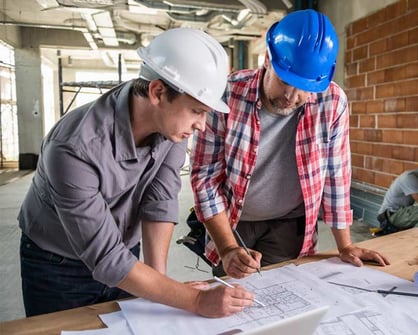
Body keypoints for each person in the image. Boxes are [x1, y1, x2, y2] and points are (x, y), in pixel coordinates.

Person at [18, 28, 256, 318]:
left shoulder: (171, 129)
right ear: (157, 92)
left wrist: (163, 287)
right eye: (196, 111)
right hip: (58, 264)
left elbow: (160, 201)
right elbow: (107, 259)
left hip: (125, 252)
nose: (202, 126)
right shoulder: (73, 148)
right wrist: (194, 300)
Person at [190, 9, 390, 279]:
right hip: (235, 221)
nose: (291, 96)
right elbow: (205, 177)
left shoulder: (332, 102)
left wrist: (345, 244)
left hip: (290, 223)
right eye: (284, 81)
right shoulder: (227, 95)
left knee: (284, 295)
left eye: (304, 87)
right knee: (231, 296)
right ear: (267, 60)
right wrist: (227, 248)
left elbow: (337, 176)